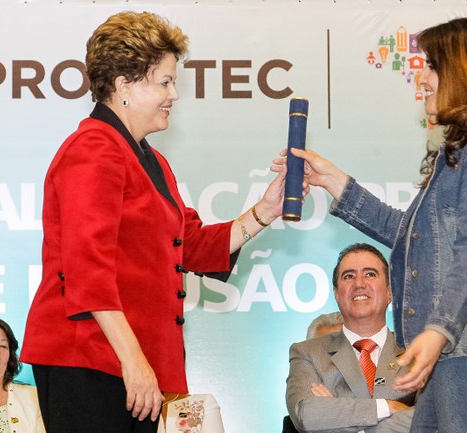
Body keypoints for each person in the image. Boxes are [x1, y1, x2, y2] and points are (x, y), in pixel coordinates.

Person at [19, 11, 294, 433]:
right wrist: (134, 361)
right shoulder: (93, 148)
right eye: (164, 82)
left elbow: (193, 245)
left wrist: (265, 210)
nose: (175, 95)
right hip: (90, 359)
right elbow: (86, 270)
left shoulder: (151, 159)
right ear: (124, 85)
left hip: (128, 363)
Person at [288, 17, 467, 432]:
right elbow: (414, 239)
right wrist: (335, 183)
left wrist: (437, 333)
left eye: (432, 65)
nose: (421, 75)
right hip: (460, 345)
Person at [286, 243, 415, 433]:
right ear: (337, 294)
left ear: (390, 292)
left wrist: (335, 414)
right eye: (349, 276)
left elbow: (433, 419)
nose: (359, 283)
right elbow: (307, 415)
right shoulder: (307, 353)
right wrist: (388, 407)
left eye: (370, 274)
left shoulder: (417, 353)